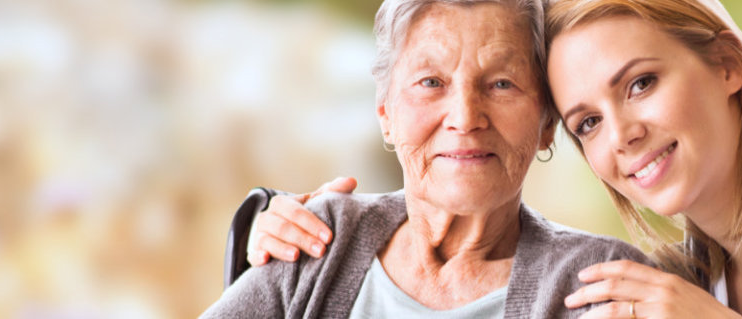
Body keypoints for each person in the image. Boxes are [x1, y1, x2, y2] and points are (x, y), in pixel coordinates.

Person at [249, 0, 742, 317]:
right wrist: (263, 237)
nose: (622, 135)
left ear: (727, 65)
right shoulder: (686, 278)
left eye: (640, 83)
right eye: (588, 120)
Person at [199, 0, 647, 318]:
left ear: (547, 123)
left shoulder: (600, 284)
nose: (466, 118)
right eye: (431, 82)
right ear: (386, 115)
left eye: (502, 84)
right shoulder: (322, 237)